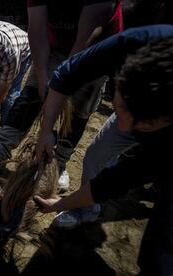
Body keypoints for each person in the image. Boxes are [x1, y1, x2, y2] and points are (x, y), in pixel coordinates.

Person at [34, 26, 173, 274]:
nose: (122, 126)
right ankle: (86, 211)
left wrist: (60, 204)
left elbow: (122, 177)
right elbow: (66, 75)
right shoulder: (133, 43)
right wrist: (45, 131)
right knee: (96, 154)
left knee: (162, 250)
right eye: (117, 107)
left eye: (142, 123)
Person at [0, 0, 123, 191]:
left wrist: (61, 88)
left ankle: (59, 162)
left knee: (79, 108)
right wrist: (43, 79)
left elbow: (87, 36)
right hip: (55, 46)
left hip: (97, 50)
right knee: (31, 94)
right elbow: (37, 29)